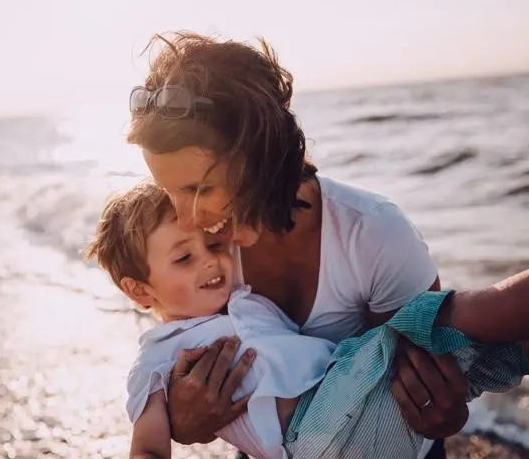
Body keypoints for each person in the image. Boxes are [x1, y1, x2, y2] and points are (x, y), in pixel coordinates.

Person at [124, 31, 468, 458]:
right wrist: (184, 420)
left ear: (262, 156)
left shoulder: (373, 235)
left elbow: (429, 383)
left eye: (200, 188)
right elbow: (183, 349)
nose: (187, 218)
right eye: (169, 192)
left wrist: (447, 412)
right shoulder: (201, 250)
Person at [85, 181, 529, 459]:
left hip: (370, 412)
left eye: (213, 245)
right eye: (184, 257)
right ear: (139, 290)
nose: (211, 261)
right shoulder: (157, 358)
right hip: (314, 432)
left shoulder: (246, 300)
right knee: (439, 319)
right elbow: (147, 445)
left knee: (484, 352)